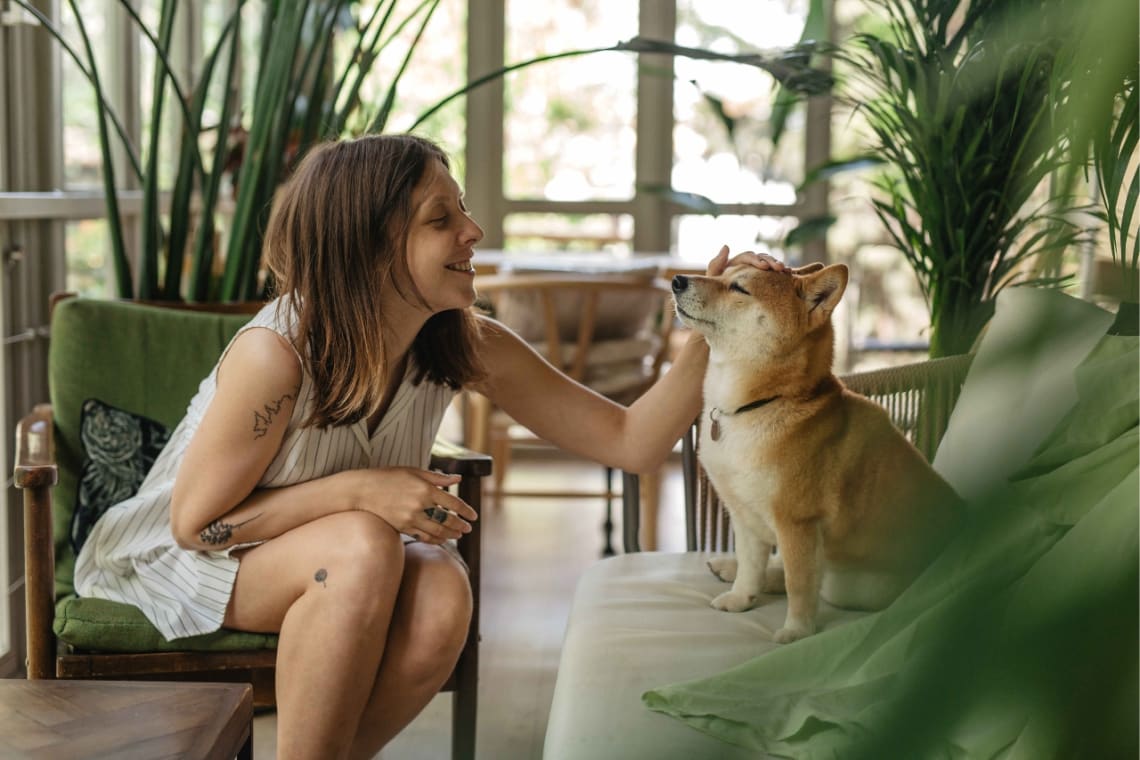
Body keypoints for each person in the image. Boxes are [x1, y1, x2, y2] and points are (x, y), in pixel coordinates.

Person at [73, 134, 784, 759]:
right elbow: (195, 527)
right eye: (441, 219)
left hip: (322, 551)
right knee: (361, 542)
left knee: (443, 590)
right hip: (179, 558)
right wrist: (361, 493)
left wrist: (713, 322)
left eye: (462, 209)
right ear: (367, 245)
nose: (473, 230)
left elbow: (629, 441)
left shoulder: (462, 342)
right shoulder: (278, 354)